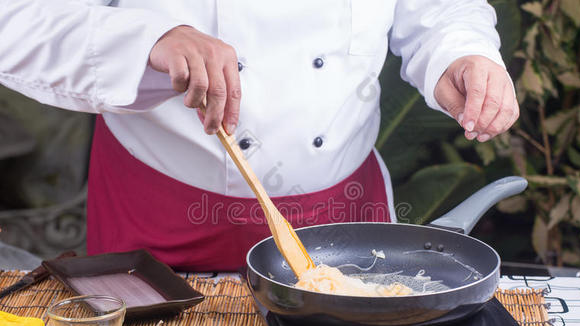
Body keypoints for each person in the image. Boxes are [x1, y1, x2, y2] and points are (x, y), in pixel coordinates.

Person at [0, 0, 519, 272]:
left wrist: (461, 52)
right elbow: (16, 20)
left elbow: (439, 9)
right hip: (161, 213)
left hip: (342, 210)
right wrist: (148, 38)